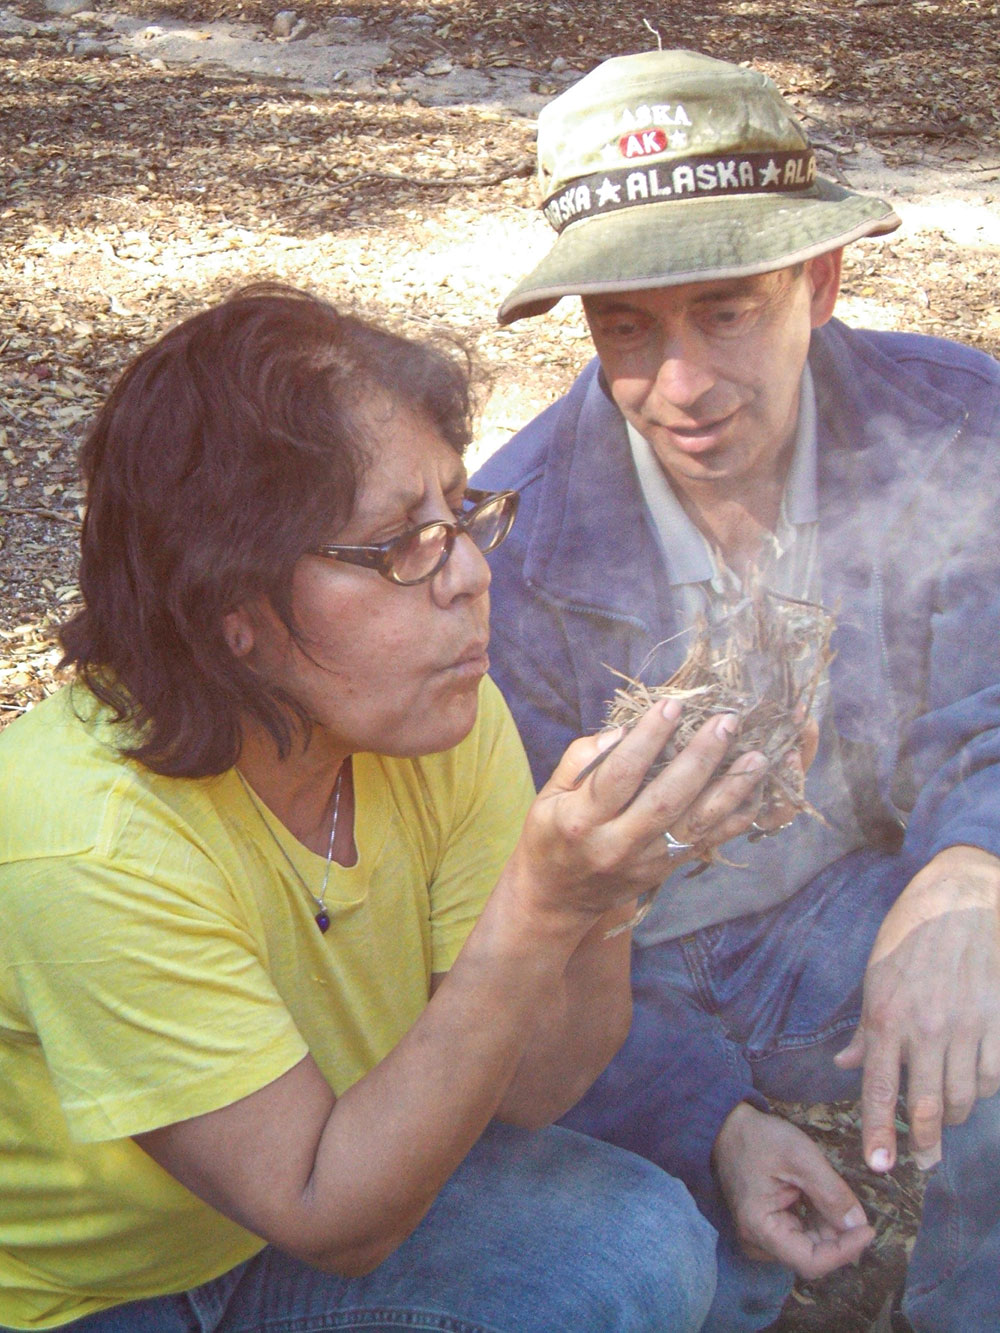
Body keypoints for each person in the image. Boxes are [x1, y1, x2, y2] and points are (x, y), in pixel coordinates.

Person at [0, 283, 792, 1332]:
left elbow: (531, 1092)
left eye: (459, 516)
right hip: (95, 1296)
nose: (467, 573)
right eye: (398, 544)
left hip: (319, 1194)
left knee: (645, 1242)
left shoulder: (430, 723)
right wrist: (539, 908)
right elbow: (331, 1217)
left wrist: (610, 895)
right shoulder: (86, 838)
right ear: (231, 608)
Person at [474, 49, 1000, 1333]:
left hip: (834, 904)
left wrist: (973, 863)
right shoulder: (510, 546)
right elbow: (496, 916)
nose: (683, 388)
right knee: (638, 1253)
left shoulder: (961, 431)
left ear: (816, 281)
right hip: (620, 971)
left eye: (724, 310)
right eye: (626, 330)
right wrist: (692, 1107)